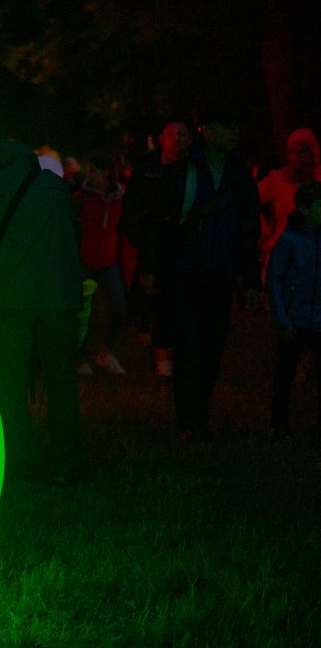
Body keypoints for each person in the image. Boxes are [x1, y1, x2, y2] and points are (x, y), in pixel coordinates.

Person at [124, 116, 261, 444]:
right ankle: (190, 421)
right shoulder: (184, 171)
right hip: (185, 272)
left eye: (234, 127)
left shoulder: (240, 175)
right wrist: (150, 267)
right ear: (209, 133)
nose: (234, 133)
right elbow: (158, 222)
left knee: (211, 348)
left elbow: (248, 231)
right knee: (191, 344)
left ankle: (197, 416)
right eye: (227, 127)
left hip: (221, 274)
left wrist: (252, 281)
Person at [0, 140, 83, 481]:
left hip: (10, 297)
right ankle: (66, 462)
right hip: (59, 297)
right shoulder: (56, 186)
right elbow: (77, 233)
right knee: (62, 381)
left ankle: (23, 459)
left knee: (12, 383)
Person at [123, 119, 193, 378]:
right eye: (171, 133)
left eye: (181, 134)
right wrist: (139, 237)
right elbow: (133, 206)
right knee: (159, 300)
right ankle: (163, 360)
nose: (176, 138)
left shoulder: (195, 169)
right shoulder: (147, 169)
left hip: (186, 246)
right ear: (162, 138)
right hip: (155, 245)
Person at [267, 182, 321, 445]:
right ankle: (278, 423)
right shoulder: (289, 241)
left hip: (317, 319)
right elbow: (275, 280)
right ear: (305, 208)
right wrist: (282, 319)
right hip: (295, 319)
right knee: (285, 373)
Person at [75, 154, 130, 375]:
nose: (89, 175)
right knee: (82, 314)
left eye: (94, 171)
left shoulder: (120, 199)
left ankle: (105, 353)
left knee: (119, 310)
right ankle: (80, 357)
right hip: (84, 262)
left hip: (109, 262)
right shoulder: (81, 197)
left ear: (106, 173)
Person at [259, 128, 321, 285]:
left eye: (302, 151)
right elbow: (249, 201)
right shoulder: (277, 179)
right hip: (285, 251)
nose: (297, 156)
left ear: (313, 151)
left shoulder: (319, 178)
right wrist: (264, 231)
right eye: (292, 151)